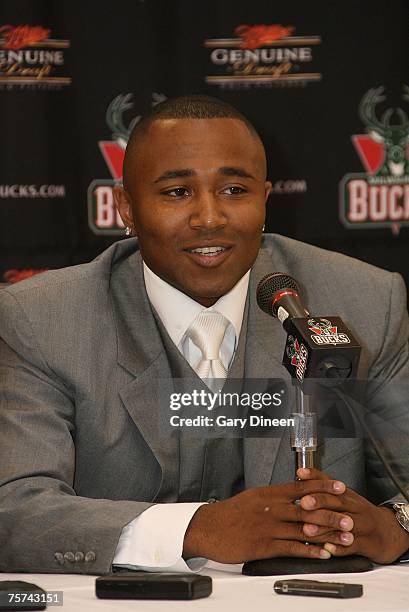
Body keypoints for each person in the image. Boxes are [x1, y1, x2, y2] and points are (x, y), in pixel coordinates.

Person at [0, 95, 408, 575]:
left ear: (265, 198)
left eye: (235, 190)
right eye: (177, 193)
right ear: (126, 208)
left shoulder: (362, 302)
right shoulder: (43, 319)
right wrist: (198, 528)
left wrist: (395, 525)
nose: (210, 217)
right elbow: (15, 510)